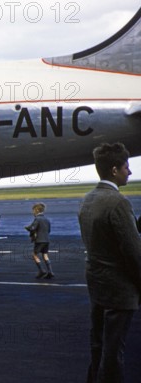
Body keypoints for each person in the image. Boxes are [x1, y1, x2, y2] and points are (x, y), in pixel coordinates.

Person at [78, 142, 141, 383]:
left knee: (98, 344)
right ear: (114, 170)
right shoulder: (118, 202)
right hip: (119, 290)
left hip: (97, 285)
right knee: (115, 351)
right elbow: (133, 252)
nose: (130, 172)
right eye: (127, 167)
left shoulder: (88, 199)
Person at [25, 202, 54, 279]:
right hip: (46, 240)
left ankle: (41, 270)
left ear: (37, 210)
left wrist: (27, 228)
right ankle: (50, 271)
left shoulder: (37, 219)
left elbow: (33, 228)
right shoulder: (47, 219)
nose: (33, 212)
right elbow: (49, 230)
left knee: (34, 255)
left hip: (39, 240)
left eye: (33, 210)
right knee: (45, 255)